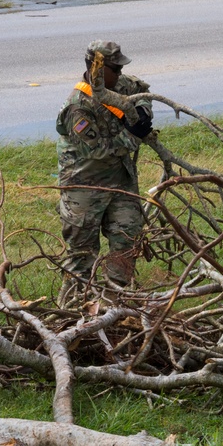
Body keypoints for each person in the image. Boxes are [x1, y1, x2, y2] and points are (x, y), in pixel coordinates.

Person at [55, 40, 155, 306]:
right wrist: (132, 136)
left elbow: (142, 90)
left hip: (121, 183)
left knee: (126, 242)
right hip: (83, 189)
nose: (120, 73)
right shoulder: (78, 107)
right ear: (96, 68)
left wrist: (143, 110)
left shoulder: (119, 85)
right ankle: (74, 313)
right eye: (114, 68)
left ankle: (117, 306)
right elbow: (96, 151)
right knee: (81, 256)